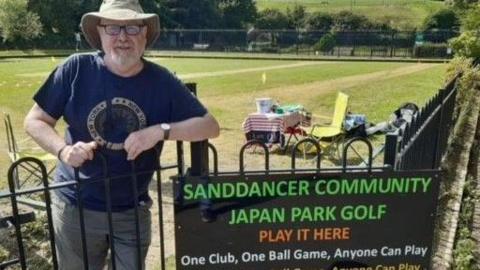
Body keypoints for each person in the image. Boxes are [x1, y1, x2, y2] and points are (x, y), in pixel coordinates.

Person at [23, 0, 220, 269]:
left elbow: (209, 126)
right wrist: (64, 150)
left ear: (145, 34)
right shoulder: (76, 69)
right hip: (75, 206)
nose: (123, 37)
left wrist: (159, 131)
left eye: (132, 28)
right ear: (100, 34)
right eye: (113, 29)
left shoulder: (162, 81)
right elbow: (35, 120)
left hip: (131, 210)